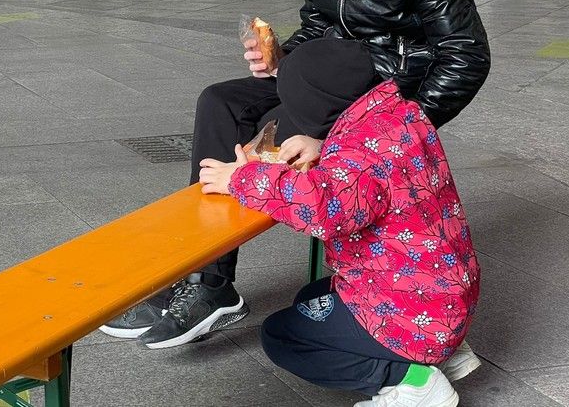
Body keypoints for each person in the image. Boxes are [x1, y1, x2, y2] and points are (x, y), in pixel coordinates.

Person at [98, 0, 490, 350]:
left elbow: (466, 55)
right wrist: (278, 56)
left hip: (383, 95)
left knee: (273, 136)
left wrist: (393, 136)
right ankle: (209, 282)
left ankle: (216, 276)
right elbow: (319, 23)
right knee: (221, 103)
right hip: (329, 75)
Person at [198, 40, 481, 407]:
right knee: (310, 299)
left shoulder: (357, 159)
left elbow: (321, 207)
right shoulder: (402, 116)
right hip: (444, 291)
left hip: (412, 308)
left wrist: (241, 179)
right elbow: (368, 163)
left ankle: (411, 380)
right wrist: (322, 142)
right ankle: (444, 351)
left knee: (282, 335)